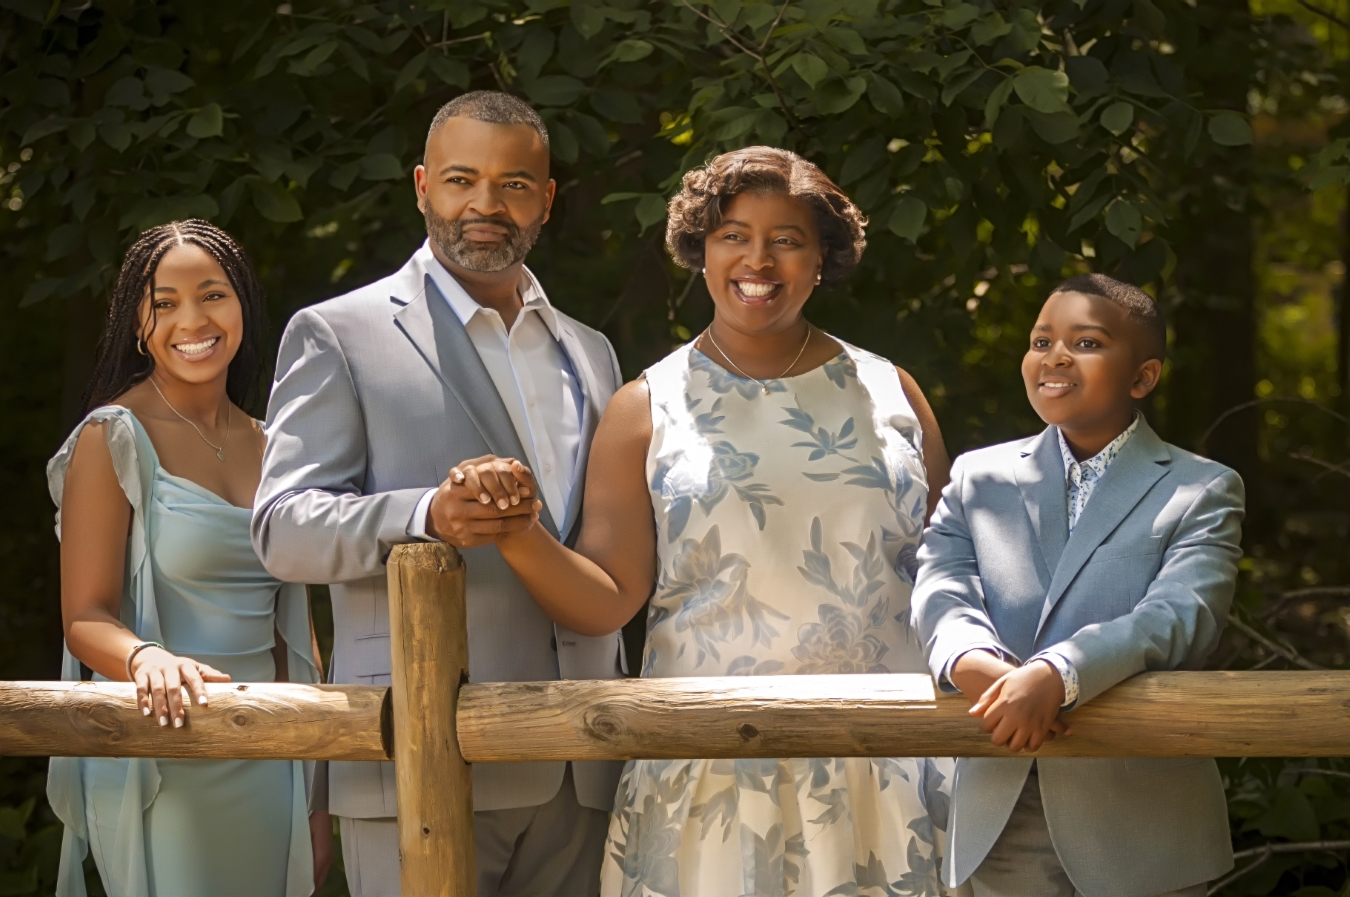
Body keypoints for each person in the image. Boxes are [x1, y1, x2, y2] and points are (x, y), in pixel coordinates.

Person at [457, 146, 959, 896]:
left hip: (882, 768)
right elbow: (608, 597)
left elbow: (950, 580)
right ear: (701, 248)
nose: (758, 259)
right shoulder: (645, 406)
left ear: (823, 256)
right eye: (734, 235)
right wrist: (517, 534)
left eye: (787, 238)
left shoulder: (894, 393)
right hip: (710, 773)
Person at [250, 91, 626, 897]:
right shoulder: (338, 333)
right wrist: (426, 514)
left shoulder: (591, 352)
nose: (486, 205)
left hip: (583, 760)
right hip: (418, 753)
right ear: (422, 185)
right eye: (462, 179)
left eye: (514, 185)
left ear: (547, 198)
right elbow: (283, 529)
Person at [911, 273, 1243, 896]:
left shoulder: (1202, 487)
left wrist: (1057, 673)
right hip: (999, 802)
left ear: (1142, 377)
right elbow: (941, 583)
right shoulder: (977, 476)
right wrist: (971, 663)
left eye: (1086, 343)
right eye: (1041, 340)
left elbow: (1179, 616)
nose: (1056, 356)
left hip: (1140, 817)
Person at [47, 220, 329, 897]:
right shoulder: (111, 437)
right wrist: (147, 657)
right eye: (164, 302)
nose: (192, 319)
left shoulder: (273, 446)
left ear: (243, 306)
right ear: (136, 321)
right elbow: (85, 617)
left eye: (212, 295)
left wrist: (317, 799)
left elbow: (292, 631)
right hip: (169, 752)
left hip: (270, 756)